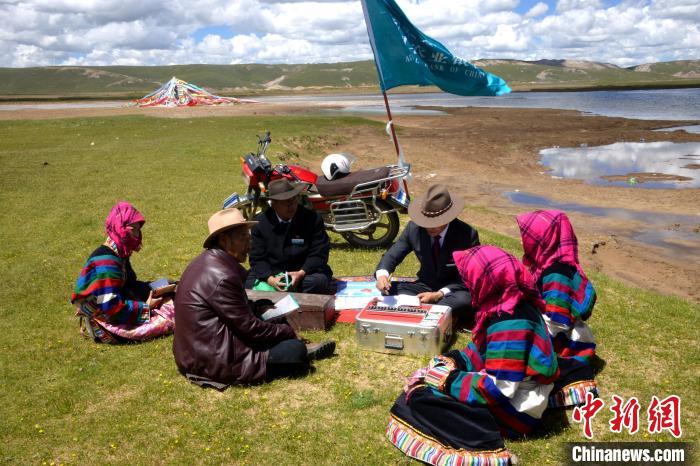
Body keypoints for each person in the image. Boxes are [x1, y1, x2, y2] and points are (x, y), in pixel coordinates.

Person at [386, 246, 559, 465]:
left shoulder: (510, 323)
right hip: (517, 393)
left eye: (469, 278)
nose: (467, 283)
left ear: (486, 280)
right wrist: (452, 361)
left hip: (517, 410)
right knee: (426, 386)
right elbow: (482, 352)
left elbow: (500, 388)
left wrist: (448, 380)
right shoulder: (508, 304)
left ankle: (486, 445)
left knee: (422, 398)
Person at [173, 208, 335, 388]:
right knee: (293, 350)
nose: (249, 241)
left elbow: (236, 313)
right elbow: (250, 329)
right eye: (243, 236)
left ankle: (295, 344)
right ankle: (300, 348)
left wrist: (259, 309)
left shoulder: (209, 262)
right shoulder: (222, 277)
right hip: (212, 360)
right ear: (224, 240)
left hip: (196, 353)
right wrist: (286, 332)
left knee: (269, 311)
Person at [517, 209, 598, 408]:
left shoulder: (557, 274)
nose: (524, 241)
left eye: (528, 237)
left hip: (564, 343)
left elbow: (556, 321)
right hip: (552, 332)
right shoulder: (546, 263)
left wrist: (523, 331)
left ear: (543, 240)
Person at [71, 201, 175, 343]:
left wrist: (157, 288)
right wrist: (146, 307)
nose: (137, 235)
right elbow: (109, 306)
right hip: (105, 319)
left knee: (169, 286)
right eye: (133, 229)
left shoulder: (119, 253)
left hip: (120, 301)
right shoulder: (106, 261)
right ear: (119, 227)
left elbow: (129, 284)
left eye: (139, 230)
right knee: (170, 317)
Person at [374, 184, 479, 323]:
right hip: (425, 285)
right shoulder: (414, 229)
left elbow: (469, 277)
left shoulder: (467, 235)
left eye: (435, 222)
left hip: (454, 289)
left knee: (465, 300)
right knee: (388, 291)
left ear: (448, 218)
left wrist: (439, 294)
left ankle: (435, 309)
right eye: (426, 222)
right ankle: (441, 312)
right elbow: (393, 254)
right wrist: (382, 275)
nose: (429, 227)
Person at [246, 179, 333, 294]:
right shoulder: (260, 224)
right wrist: (270, 280)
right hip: (273, 273)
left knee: (318, 282)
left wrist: (301, 273)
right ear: (274, 204)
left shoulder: (312, 219)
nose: (290, 205)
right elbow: (257, 258)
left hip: (304, 273)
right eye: (285, 202)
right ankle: (281, 290)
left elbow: (320, 252)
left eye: (293, 200)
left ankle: (281, 292)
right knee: (247, 283)